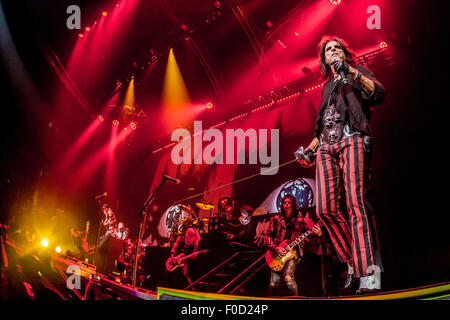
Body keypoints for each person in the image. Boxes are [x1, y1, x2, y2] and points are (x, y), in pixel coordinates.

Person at [296, 35, 385, 293]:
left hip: (353, 140)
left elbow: (378, 94)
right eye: (328, 50)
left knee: (356, 204)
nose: (333, 51)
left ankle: (369, 275)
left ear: (345, 54)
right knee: (325, 210)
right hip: (326, 148)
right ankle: (351, 261)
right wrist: (309, 152)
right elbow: (321, 127)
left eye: (337, 48)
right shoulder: (326, 88)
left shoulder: (358, 72)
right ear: (323, 59)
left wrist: (352, 73)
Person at [261, 194, 322, 296]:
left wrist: (318, 232)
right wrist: (276, 248)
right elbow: (268, 236)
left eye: (289, 202)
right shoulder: (276, 218)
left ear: (293, 205)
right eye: (284, 202)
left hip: (294, 252)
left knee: (288, 278)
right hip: (277, 253)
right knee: (273, 283)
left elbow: (308, 232)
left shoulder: (299, 219)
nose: (286, 204)